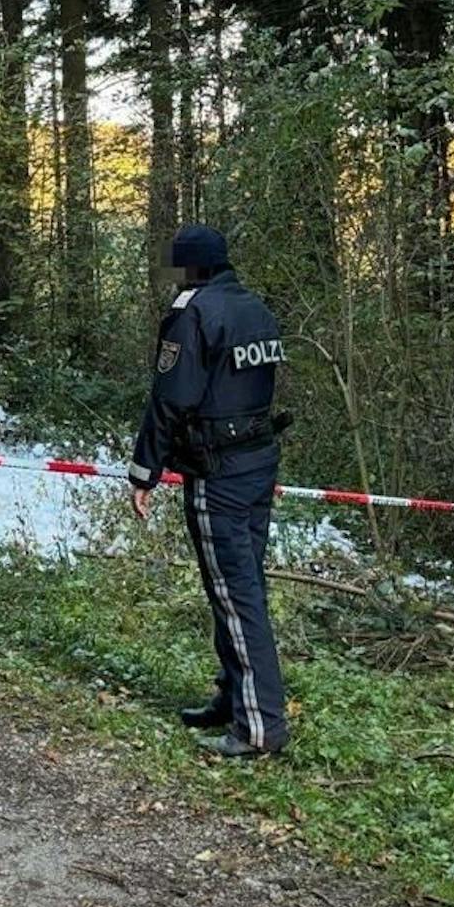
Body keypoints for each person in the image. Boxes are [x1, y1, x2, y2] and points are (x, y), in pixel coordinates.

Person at [128, 225, 290, 757]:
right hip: (257, 464)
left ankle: (260, 726)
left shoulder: (192, 313)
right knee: (243, 585)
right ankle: (233, 696)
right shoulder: (256, 308)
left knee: (234, 591)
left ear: (191, 266)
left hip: (218, 471)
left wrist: (143, 471)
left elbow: (171, 398)